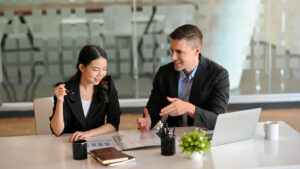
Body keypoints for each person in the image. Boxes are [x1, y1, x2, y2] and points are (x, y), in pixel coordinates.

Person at [137, 24, 229, 131]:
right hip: (172, 138)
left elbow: (217, 120)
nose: (173, 57)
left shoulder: (219, 75)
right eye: (171, 50)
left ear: (197, 51)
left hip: (203, 139)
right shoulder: (164, 73)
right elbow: (154, 107)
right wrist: (148, 121)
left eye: (179, 52)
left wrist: (189, 108)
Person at [50, 45, 121, 142]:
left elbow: (113, 124)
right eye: (96, 69)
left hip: (98, 142)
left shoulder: (108, 86)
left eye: (104, 69)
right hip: (71, 143)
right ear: (82, 67)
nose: (101, 74)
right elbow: (57, 131)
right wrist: (59, 101)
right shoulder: (66, 89)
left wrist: (87, 134)